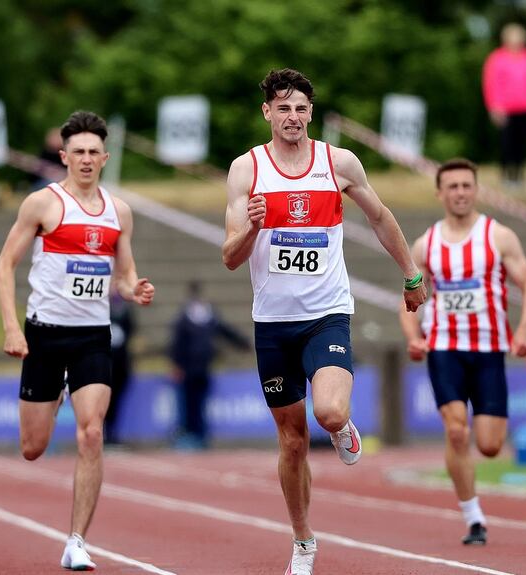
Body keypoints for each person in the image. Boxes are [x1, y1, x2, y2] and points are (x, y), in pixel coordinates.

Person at [222, 68, 427, 575]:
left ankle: (341, 426)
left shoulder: (338, 162)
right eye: (283, 108)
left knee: (329, 413)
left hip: (327, 314)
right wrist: (252, 227)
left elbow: (380, 217)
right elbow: (229, 256)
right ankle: (303, 540)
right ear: (267, 112)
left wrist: (410, 273)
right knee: (291, 442)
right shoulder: (246, 170)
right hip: (272, 323)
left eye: (301, 109)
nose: (292, 117)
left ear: (311, 113)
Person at [0, 110, 154, 571]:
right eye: (77, 152)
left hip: (92, 337)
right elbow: (5, 265)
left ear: (105, 157)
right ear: (64, 156)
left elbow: (123, 278)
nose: (85, 160)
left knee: (91, 433)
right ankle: (53, 395)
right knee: (33, 447)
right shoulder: (42, 205)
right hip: (44, 334)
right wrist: (10, 326)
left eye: (93, 153)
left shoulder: (118, 212)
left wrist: (133, 289)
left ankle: (77, 540)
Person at [398, 158, 526, 546]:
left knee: (491, 445)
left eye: (466, 185)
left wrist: (523, 331)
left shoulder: (499, 237)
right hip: (444, 346)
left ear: (476, 190)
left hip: (490, 348)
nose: (460, 192)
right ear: (440, 193)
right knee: (457, 430)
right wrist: (414, 335)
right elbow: (409, 296)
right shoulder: (426, 244)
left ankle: (468, 460)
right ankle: (473, 516)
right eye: (453, 186)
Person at [169, 280, 250, 450]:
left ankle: (200, 435)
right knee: (187, 403)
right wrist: (176, 365)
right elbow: (176, 343)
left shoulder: (208, 314)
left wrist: (243, 343)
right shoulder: (184, 317)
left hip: (203, 368)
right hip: (188, 368)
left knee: (201, 403)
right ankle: (188, 435)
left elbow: (225, 330)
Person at [482, 22, 526, 190]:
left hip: (525, 108)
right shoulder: (497, 58)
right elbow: (491, 83)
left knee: (522, 144)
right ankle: (506, 176)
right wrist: (494, 106)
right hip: (504, 109)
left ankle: (519, 176)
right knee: (506, 144)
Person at [104, 289, 135, 446]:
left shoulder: (126, 310)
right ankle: (102, 432)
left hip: (121, 364)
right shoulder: (102, 308)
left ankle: (112, 433)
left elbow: (131, 331)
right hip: (105, 362)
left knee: (116, 401)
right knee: (103, 400)